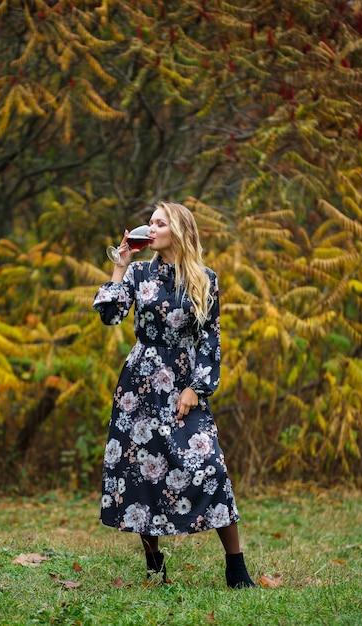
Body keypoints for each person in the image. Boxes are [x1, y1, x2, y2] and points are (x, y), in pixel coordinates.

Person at [93, 201, 255, 588]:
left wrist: (196, 388)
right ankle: (154, 564)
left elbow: (209, 339)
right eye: (149, 223)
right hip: (140, 383)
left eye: (159, 223)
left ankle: (236, 567)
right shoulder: (137, 272)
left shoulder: (204, 278)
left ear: (179, 230)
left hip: (184, 379)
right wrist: (120, 262)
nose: (150, 229)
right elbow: (110, 316)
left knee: (209, 465)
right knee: (139, 474)